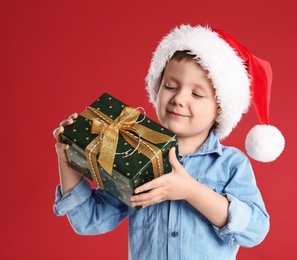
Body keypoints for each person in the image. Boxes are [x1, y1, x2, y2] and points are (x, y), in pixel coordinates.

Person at [53, 25, 284, 260]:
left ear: (220, 109)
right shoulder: (134, 155)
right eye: (170, 86)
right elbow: (90, 220)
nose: (179, 99)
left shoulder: (231, 164)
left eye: (197, 94)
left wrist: (191, 191)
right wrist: (68, 159)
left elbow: (255, 230)